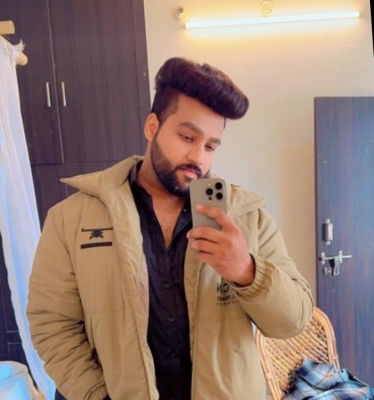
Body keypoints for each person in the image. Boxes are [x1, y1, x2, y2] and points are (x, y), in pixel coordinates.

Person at [26, 57, 314, 400]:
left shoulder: (249, 219)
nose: (198, 157)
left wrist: (247, 272)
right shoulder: (71, 220)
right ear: (152, 126)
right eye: (187, 136)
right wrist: (96, 395)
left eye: (210, 145)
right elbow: (52, 323)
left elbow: (293, 322)